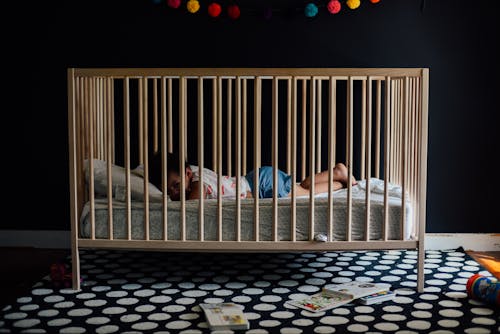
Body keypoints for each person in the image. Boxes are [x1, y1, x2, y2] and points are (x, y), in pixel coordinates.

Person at [148, 152, 356, 201]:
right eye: (168, 191)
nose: (174, 193)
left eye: (175, 186)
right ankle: (337, 172)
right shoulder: (192, 170)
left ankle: (339, 184)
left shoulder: (196, 182)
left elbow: (195, 200)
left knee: (305, 193)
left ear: (187, 174)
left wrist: (175, 202)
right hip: (257, 179)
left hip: (260, 185)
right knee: (303, 186)